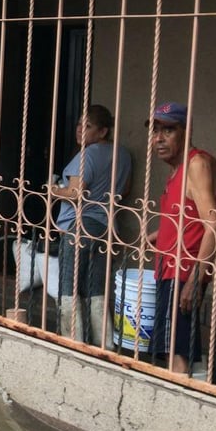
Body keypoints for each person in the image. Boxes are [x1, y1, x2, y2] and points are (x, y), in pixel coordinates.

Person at [146, 101, 216, 375]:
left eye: (168, 130)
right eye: (155, 131)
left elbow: (212, 221)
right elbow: (189, 214)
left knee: (175, 353)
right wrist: (161, 233)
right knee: (178, 347)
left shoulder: (196, 164)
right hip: (171, 268)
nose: (158, 138)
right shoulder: (180, 167)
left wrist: (195, 278)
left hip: (182, 271)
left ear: (185, 131)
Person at [51, 105, 132, 346]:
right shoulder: (123, 154)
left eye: (87, 126)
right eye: (78, 124)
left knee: (69, 286)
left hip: (79, 227)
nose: (79, 130)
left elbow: (75, 193)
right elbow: (124, 190)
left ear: (103, 131)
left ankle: (72, 341)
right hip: (106, 228)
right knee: (97, 289)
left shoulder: (86, 156)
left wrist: (53, 190)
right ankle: (104, 344)